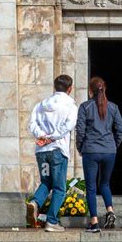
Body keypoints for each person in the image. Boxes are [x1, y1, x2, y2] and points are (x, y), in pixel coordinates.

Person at [26, 74, 78, 232]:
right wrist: (51, 137)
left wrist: (42, 136)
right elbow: (68, 126)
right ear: (70, 89)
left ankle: (35, 203)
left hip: (42, 151)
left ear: (55, 87)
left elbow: (32, 124)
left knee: (46, 182)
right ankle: (51, 222)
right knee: (60, 188)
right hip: (57, 150)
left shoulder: (40, 105)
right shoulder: (70, 106)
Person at [76, 76, 122, 233]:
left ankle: (94, 222)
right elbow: (121, 130)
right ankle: (110, 210)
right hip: (109, 150)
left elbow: (80, 131)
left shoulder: (85, 106)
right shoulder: (113, 107)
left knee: (91, 187)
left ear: (90, 91)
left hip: (91, 150)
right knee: (104, 183)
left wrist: (80, 147)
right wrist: (114, 145)